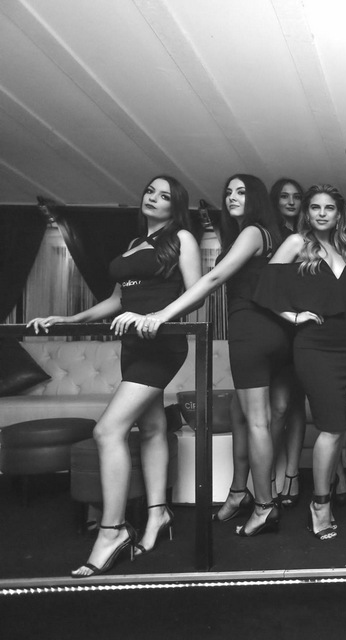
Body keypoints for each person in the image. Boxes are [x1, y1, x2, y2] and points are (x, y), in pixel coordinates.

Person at [29, 175, 201, 576]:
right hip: (133, 345)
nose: (153, 198)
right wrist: (69, 319)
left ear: (176, 206)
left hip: (161, 344)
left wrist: (154, 316)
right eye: (150, 191)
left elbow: (195, 293)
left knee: (107, 431)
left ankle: (112, 530)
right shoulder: (135, 243)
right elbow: (118, 299)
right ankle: (158, 514)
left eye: (164, 196)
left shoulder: (182, 239)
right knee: (153, 429)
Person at [137, 174, 287, 537]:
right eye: (229, 192)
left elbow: (214, 279)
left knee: (257, 421)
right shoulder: (262, 235)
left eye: (242, 192)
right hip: (272, 331)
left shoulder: (252, 232)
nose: (232, 197)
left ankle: (265, 507)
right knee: (241, 412)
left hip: (251, 329)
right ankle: (239, 493)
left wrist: (164, 313)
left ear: (256, 199)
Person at [254, 184, 346, 541]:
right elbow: (264, 288)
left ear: (338, 214)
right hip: (314, 346)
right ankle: (320, 505)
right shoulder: (297, 243)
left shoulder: (345, 249)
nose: (321, 213)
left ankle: (322, 498)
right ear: (307, 212)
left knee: (337, 427)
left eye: (329, 208)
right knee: (331, 427)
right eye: (315, 207)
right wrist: (293, 316)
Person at [268, 178, 307, 507]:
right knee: (279, 407)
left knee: (297, 406)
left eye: (296, 197)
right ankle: (266, 478)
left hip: (306, 331)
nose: (291, 202)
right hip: (279, 326)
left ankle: (292, 476)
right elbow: (266, 285)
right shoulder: (271, 235)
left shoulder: (310, 237)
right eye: (284, 196)